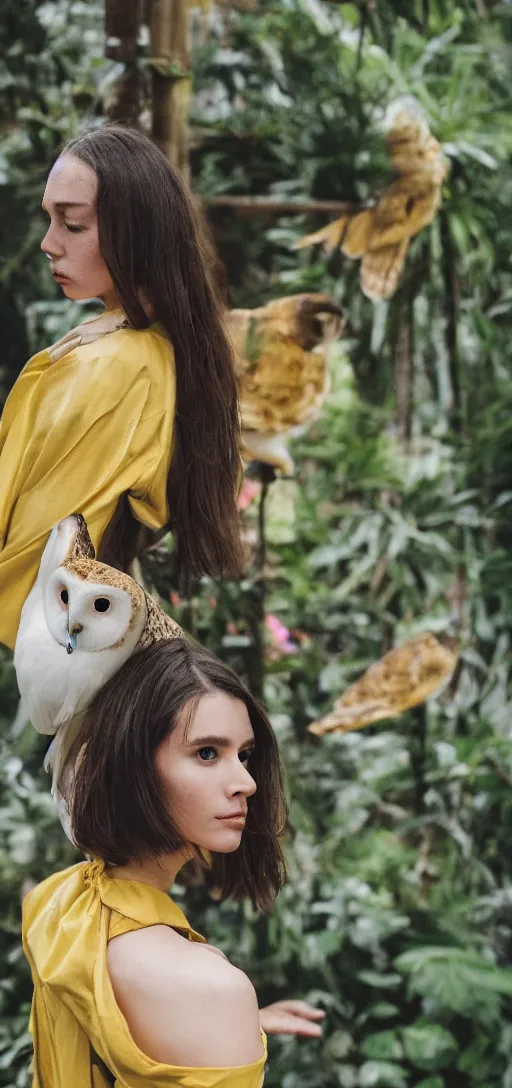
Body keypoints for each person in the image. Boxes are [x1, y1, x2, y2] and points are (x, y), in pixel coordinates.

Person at [22, 639, 323, 1087]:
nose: (245, 782)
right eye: (206, 753)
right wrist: (224, 1012)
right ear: (134, 767)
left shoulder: (58, 905)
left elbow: (107, 1027)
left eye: (243, 755)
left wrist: (237, 1023)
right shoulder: (209, 987)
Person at [0, 124, 244, 651]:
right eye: (51, 221)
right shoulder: (161, 347)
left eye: (73, 224)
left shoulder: (111, 367)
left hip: (64, 651)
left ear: (134, 233)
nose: (48, 243)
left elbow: (32, 563)